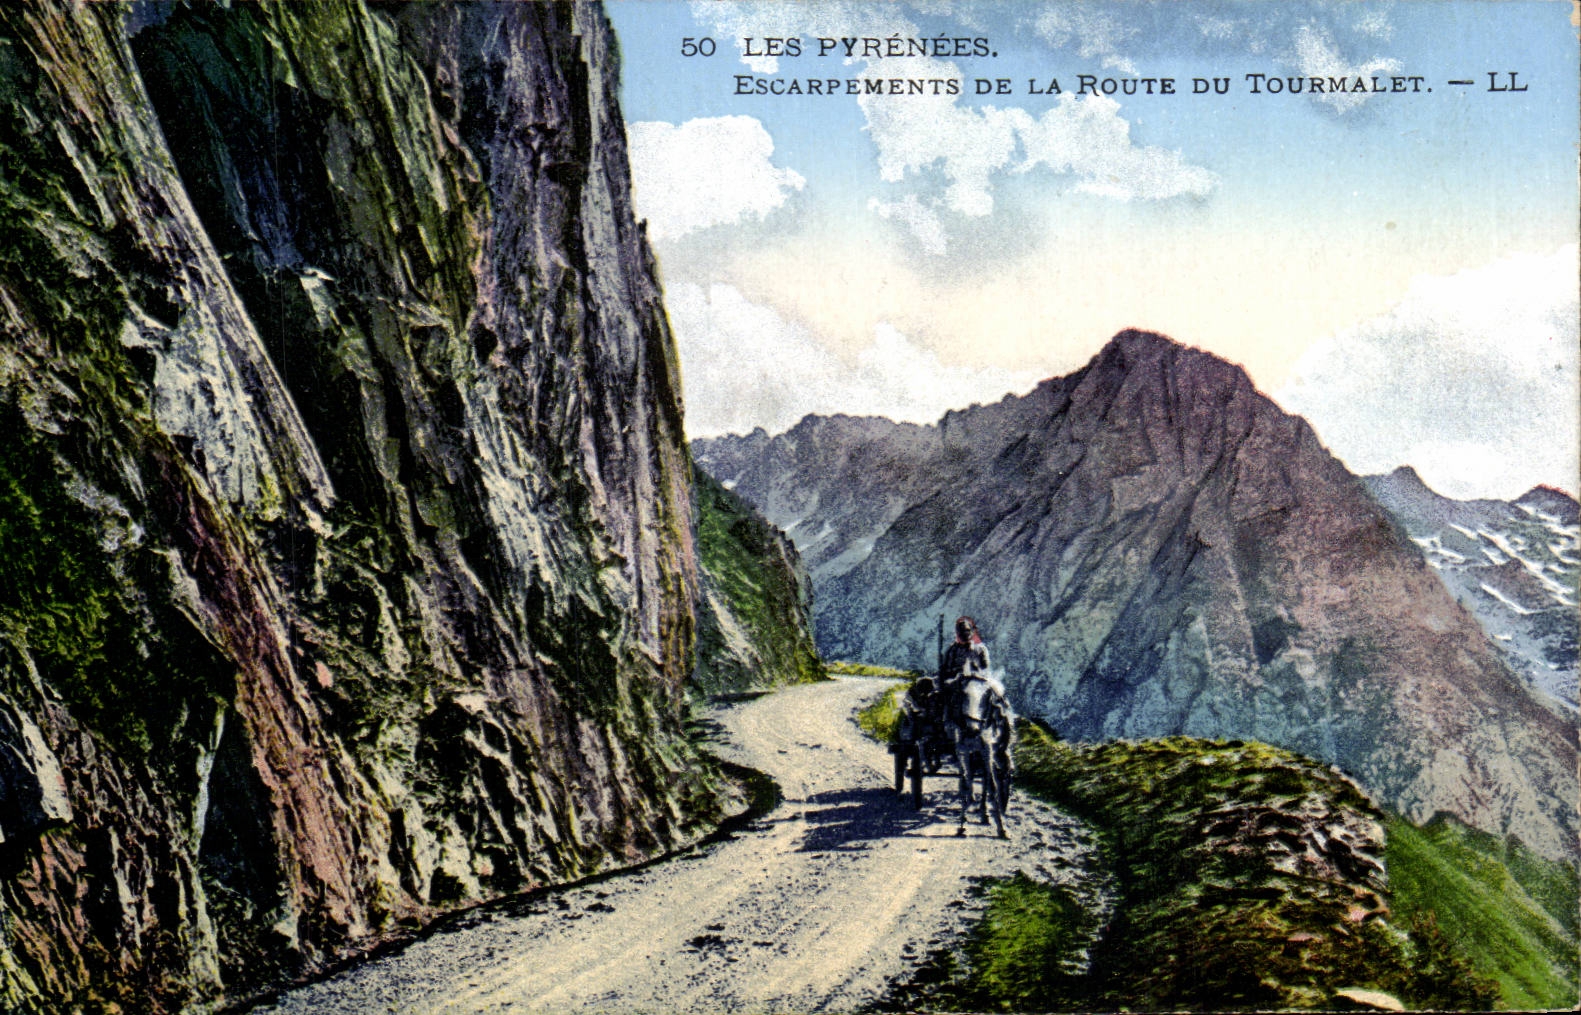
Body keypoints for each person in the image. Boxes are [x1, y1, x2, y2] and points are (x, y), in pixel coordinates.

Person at [938, 615, 989, 714]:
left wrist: (973, 675)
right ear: (958, 633)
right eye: (962, 631)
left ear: (972, 632)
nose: (965, 633)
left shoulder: (980, 650)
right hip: (955, 683)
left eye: (967, 630)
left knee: (996, 700)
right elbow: (944, 670)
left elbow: (985, 670)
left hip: (977, 683)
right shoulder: (952, 650)